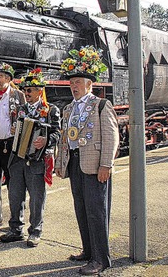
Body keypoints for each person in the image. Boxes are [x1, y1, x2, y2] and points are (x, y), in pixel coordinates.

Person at [55, 46, 119, 275]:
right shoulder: (69, 108)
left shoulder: (101, 105)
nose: (74, 87)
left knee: (96, 211)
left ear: (89, 85)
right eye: (72, 83)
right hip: (75, 162)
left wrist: (106, 165)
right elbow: (65, 137)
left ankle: (101, 259)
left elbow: (112, 136)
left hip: (94, 165)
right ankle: (88, 250)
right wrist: (61, 163)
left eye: (79, 83)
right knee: (81, 208)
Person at [0, 68, 61, 247]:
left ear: (39, 91)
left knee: (36, 197)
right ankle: (15, 229)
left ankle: (35, 231)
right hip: (18, 158)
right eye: (25, 90)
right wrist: (13, 131)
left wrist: (47, 139)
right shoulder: (20, 109)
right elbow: (16, 129)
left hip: (37, 160)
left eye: (30, 90)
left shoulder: (51, 110)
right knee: (15, 195)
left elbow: (57, 132)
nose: (26, 93)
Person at [0, 62, 26, 226]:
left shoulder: (18, 95)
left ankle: (16, 220)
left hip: (10, 144)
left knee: (14, 183)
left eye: (0, 76)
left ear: (8, 78)